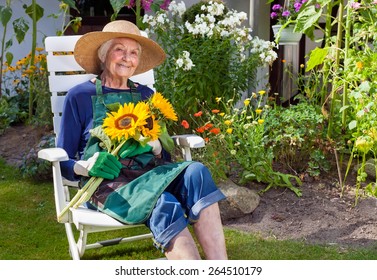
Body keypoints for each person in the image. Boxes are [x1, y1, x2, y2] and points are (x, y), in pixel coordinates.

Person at [57, 20, 227, 260]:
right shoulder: (80, 96)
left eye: (134, 52)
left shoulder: (147, 96)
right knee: (163, 202)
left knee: (196, 171)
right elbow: (62, 157)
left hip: (151, 176)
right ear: (104, 54)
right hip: (107, 184)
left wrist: (157, 146)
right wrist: (84, 166)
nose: (127, 57)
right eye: (120, 49)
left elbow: (164, 157)